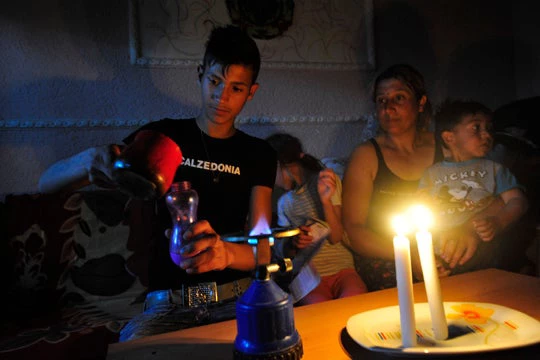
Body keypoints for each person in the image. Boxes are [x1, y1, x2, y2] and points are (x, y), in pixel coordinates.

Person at [38, 25, 277, 339]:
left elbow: (264, 251)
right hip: (169, 306)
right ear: (200, 74)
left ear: (251, 92)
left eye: (236, 88)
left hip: (236, 299)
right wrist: (86, 161)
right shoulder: (163, 137)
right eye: (215, 82)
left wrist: (226, 253)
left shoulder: (258, 154)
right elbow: (46, 186)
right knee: (131, 350)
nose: (221, 97)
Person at [342, 64, 445, 291]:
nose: (388, 108)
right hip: (386, 254)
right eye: (381, 101)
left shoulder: (444, 147)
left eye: (399, 98)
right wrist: (410, 254)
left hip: (442, 249)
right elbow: (353, 229)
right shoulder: (367, 156)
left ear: (420, 103)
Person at [418, 99, 528, 274]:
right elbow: (421, 209)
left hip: (485, 244)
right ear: (449, 137)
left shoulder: (494, 169)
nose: (487, 135)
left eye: (489, 129)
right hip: (444, 247)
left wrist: (499, 222)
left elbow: (517, 201)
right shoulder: (431, 174)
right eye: (476, 128)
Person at [266, 133, 367, 305]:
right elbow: (285, 254)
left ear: (279, 165)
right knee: (321, 311)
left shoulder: (325, 180)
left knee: (355, 302)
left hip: (342, 269)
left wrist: (325, 201)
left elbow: (336, 236)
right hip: (310, 278)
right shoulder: (285, 202)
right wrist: (295, 242)